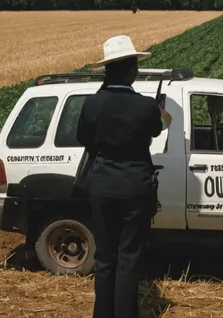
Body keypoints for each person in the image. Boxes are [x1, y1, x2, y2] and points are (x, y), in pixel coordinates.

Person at [76, 35, 172, 318]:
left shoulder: (92, 104)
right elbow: (162, 125)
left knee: (105, 258)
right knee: (129, 258)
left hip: (102, 187)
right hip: (136, 188)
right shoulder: (144, 106)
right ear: (133, 70)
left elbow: (83, 137)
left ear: (107, 70)